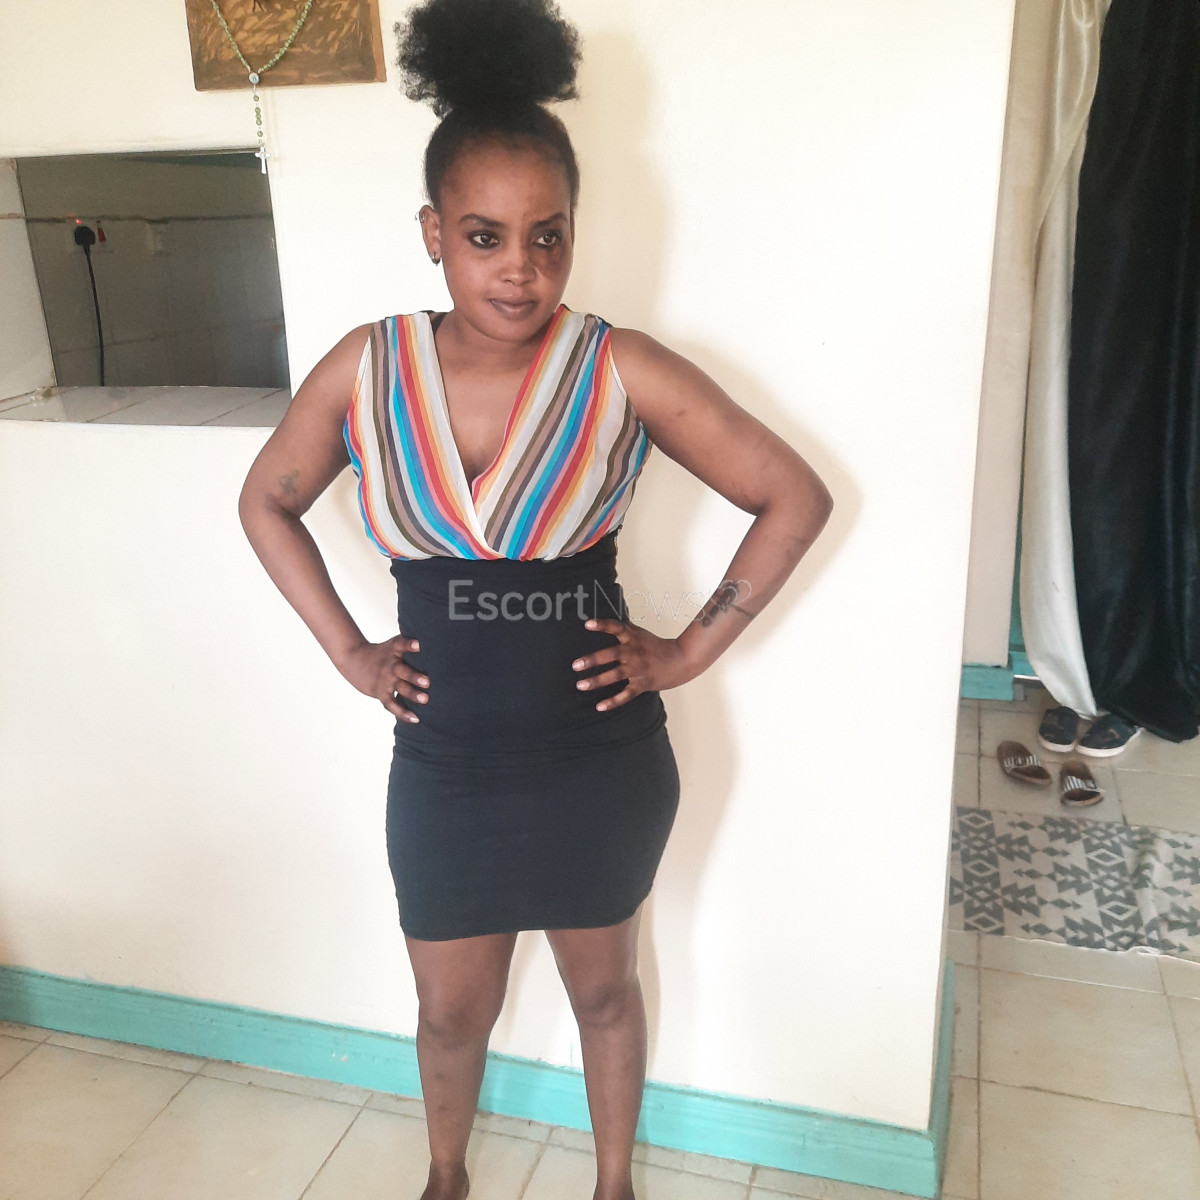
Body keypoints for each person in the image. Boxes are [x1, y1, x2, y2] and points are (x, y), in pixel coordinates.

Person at [238, 2, 833, 1197]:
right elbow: (267, 502)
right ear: (433, 234)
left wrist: (686, 653)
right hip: (444, 764)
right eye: (485, 236)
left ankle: (613, 1184)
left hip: (595, 760)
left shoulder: (618, 366)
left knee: (604, 990)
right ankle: (446, 1175)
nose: (521, 267)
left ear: (571, 233)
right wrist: (351, 653)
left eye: (547, 236)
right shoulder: (367, 367)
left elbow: (793, 496)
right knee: (448, 1012)